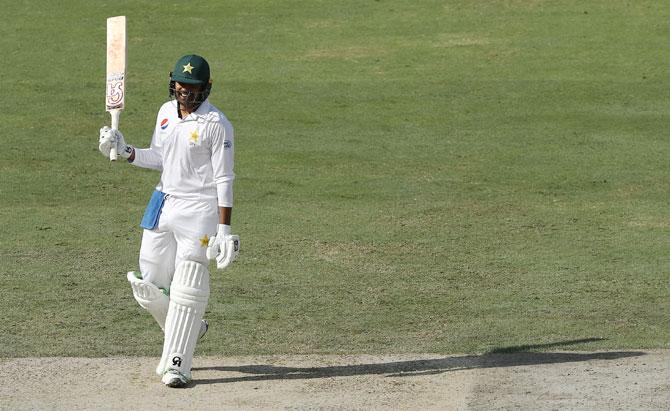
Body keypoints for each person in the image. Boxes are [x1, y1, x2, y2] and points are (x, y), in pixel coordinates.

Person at [98, 54, 239, 388]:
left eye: (193, 88)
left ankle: (178, 364)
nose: (186, 93)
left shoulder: (217, 124)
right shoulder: (165, 112)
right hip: (164, 201)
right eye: (181, 85)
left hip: (200, 209)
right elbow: (158, 157)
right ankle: (192, 327)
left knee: (189, 283)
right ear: (172, 82)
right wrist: (124, 149)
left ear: (206, 88)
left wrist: (224, 230)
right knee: (147, 284)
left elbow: (224, 179)